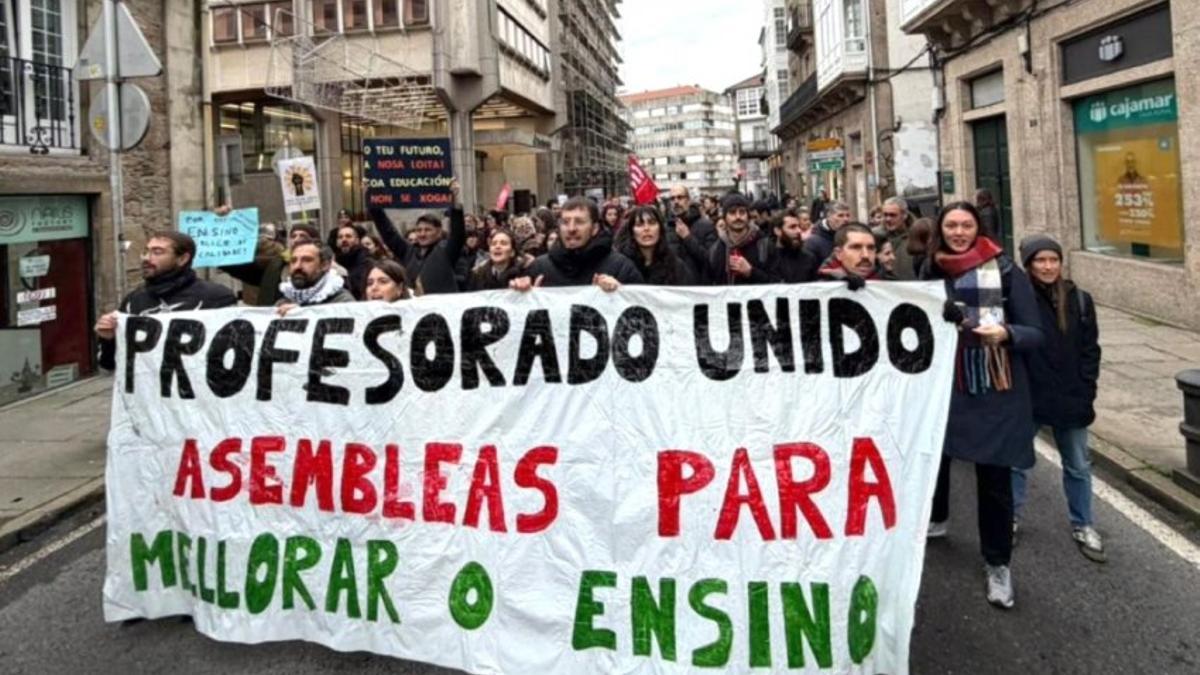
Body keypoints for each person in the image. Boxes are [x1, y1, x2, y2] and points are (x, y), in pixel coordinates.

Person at [923, 201, 1043, 610]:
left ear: (979, 228)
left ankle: (998, 565)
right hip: (944, 383)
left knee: (994, 481)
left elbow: (1034, 332)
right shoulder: (931, 270)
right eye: (951, 225)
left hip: (994, 384)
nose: (958, 232)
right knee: (934, 458)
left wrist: (1006, 333)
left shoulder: (1006, 270)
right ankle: (937, 519)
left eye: (966, 225)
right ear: (941, 230)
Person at [1014, 234, 1106, 562]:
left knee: (1078, 465)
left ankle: (1083, 523)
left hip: (1071, 396)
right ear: (1028, 265)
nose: (1048, 266)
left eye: (1053, 260)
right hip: (1031, 396)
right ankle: (1011, 518)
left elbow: (1090, 350)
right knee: (1018, 462)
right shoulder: (1018, 299)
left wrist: (1087, 388)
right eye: (1040, 260)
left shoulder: (1080, 300)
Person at [94, 231, 237, 370]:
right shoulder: (134, 301)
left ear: (182, 259)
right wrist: (108, 339)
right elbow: (109, 364)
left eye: (157, 252)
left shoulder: (217, 298)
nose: (146, 258)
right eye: (145, 252)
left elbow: (233, 357)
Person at [511, 197, 642, 290]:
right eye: (565, 222)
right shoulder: (538, 269)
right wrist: (521, 294)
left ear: (595, 228)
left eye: (579, 222)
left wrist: (623, 294)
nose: (571, 228)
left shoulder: (621, 268)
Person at [370, 179, 466, 295]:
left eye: (427, 230)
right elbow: (389, 233)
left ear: (439, 232)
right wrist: (373, 203)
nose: (422, 234)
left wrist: (455, 202)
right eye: (419, 230)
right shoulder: (408, 252)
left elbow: (458, 234)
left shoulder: (445, 251)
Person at [616, 206, 693, 286]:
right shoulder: (621, 266)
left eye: (652, 223)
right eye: (639, 224)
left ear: (660, 229)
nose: (646, 228)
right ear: (632, 232)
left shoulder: (676, 266)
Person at [706, 192, 772, 286]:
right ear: (724, 218)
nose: (738, 217)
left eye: (742, 212)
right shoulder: (715, 250)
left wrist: (751, 272)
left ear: (748, 216)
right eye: (732, 212)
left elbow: (777, 283)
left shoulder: (764, 246)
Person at [277, 242, 356, 314]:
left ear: (325, 265)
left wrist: (302, 314)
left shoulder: (343, 302)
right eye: (293, 261)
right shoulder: (283, 302)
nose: (297, 266)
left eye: (307, 260)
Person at [667, 184, 718, 282]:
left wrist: (688, 238)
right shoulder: (666, 227)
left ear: (688, 200)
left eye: (680, 197)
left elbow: (711, 260)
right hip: (673, 290)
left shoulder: (706, 226)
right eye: (672, 199)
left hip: (698, 289)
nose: (676, 202)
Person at [816, 223, 890, 285]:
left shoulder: (889, 283)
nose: (865, 255)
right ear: (839, 254)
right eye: (856, 247)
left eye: (870, 248)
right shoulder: (820, 290)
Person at [762, 211, 819, 284]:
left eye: (799, 226)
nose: (798, 231)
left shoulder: (809, 258)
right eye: (792, 227)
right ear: (777, 231)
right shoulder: (766, 258)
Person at [877, 196, 917, 280]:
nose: (888, 219)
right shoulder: (875, 237)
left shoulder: (916, 237)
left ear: (904, 215)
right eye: (885, 215)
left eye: (892, 215)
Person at [804, 200, 851, 264]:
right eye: (840, 215)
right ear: (829, 216)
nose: (846, 219)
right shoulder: (812, 242)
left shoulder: (852, 237)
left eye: (847, 215)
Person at [333, 222, 372, 300]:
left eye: (348, 236)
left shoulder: (365, 260)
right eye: (340, 237)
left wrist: (344, 274)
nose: (344, 239)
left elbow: (359, 287)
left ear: (357, 240)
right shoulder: (334, 261)